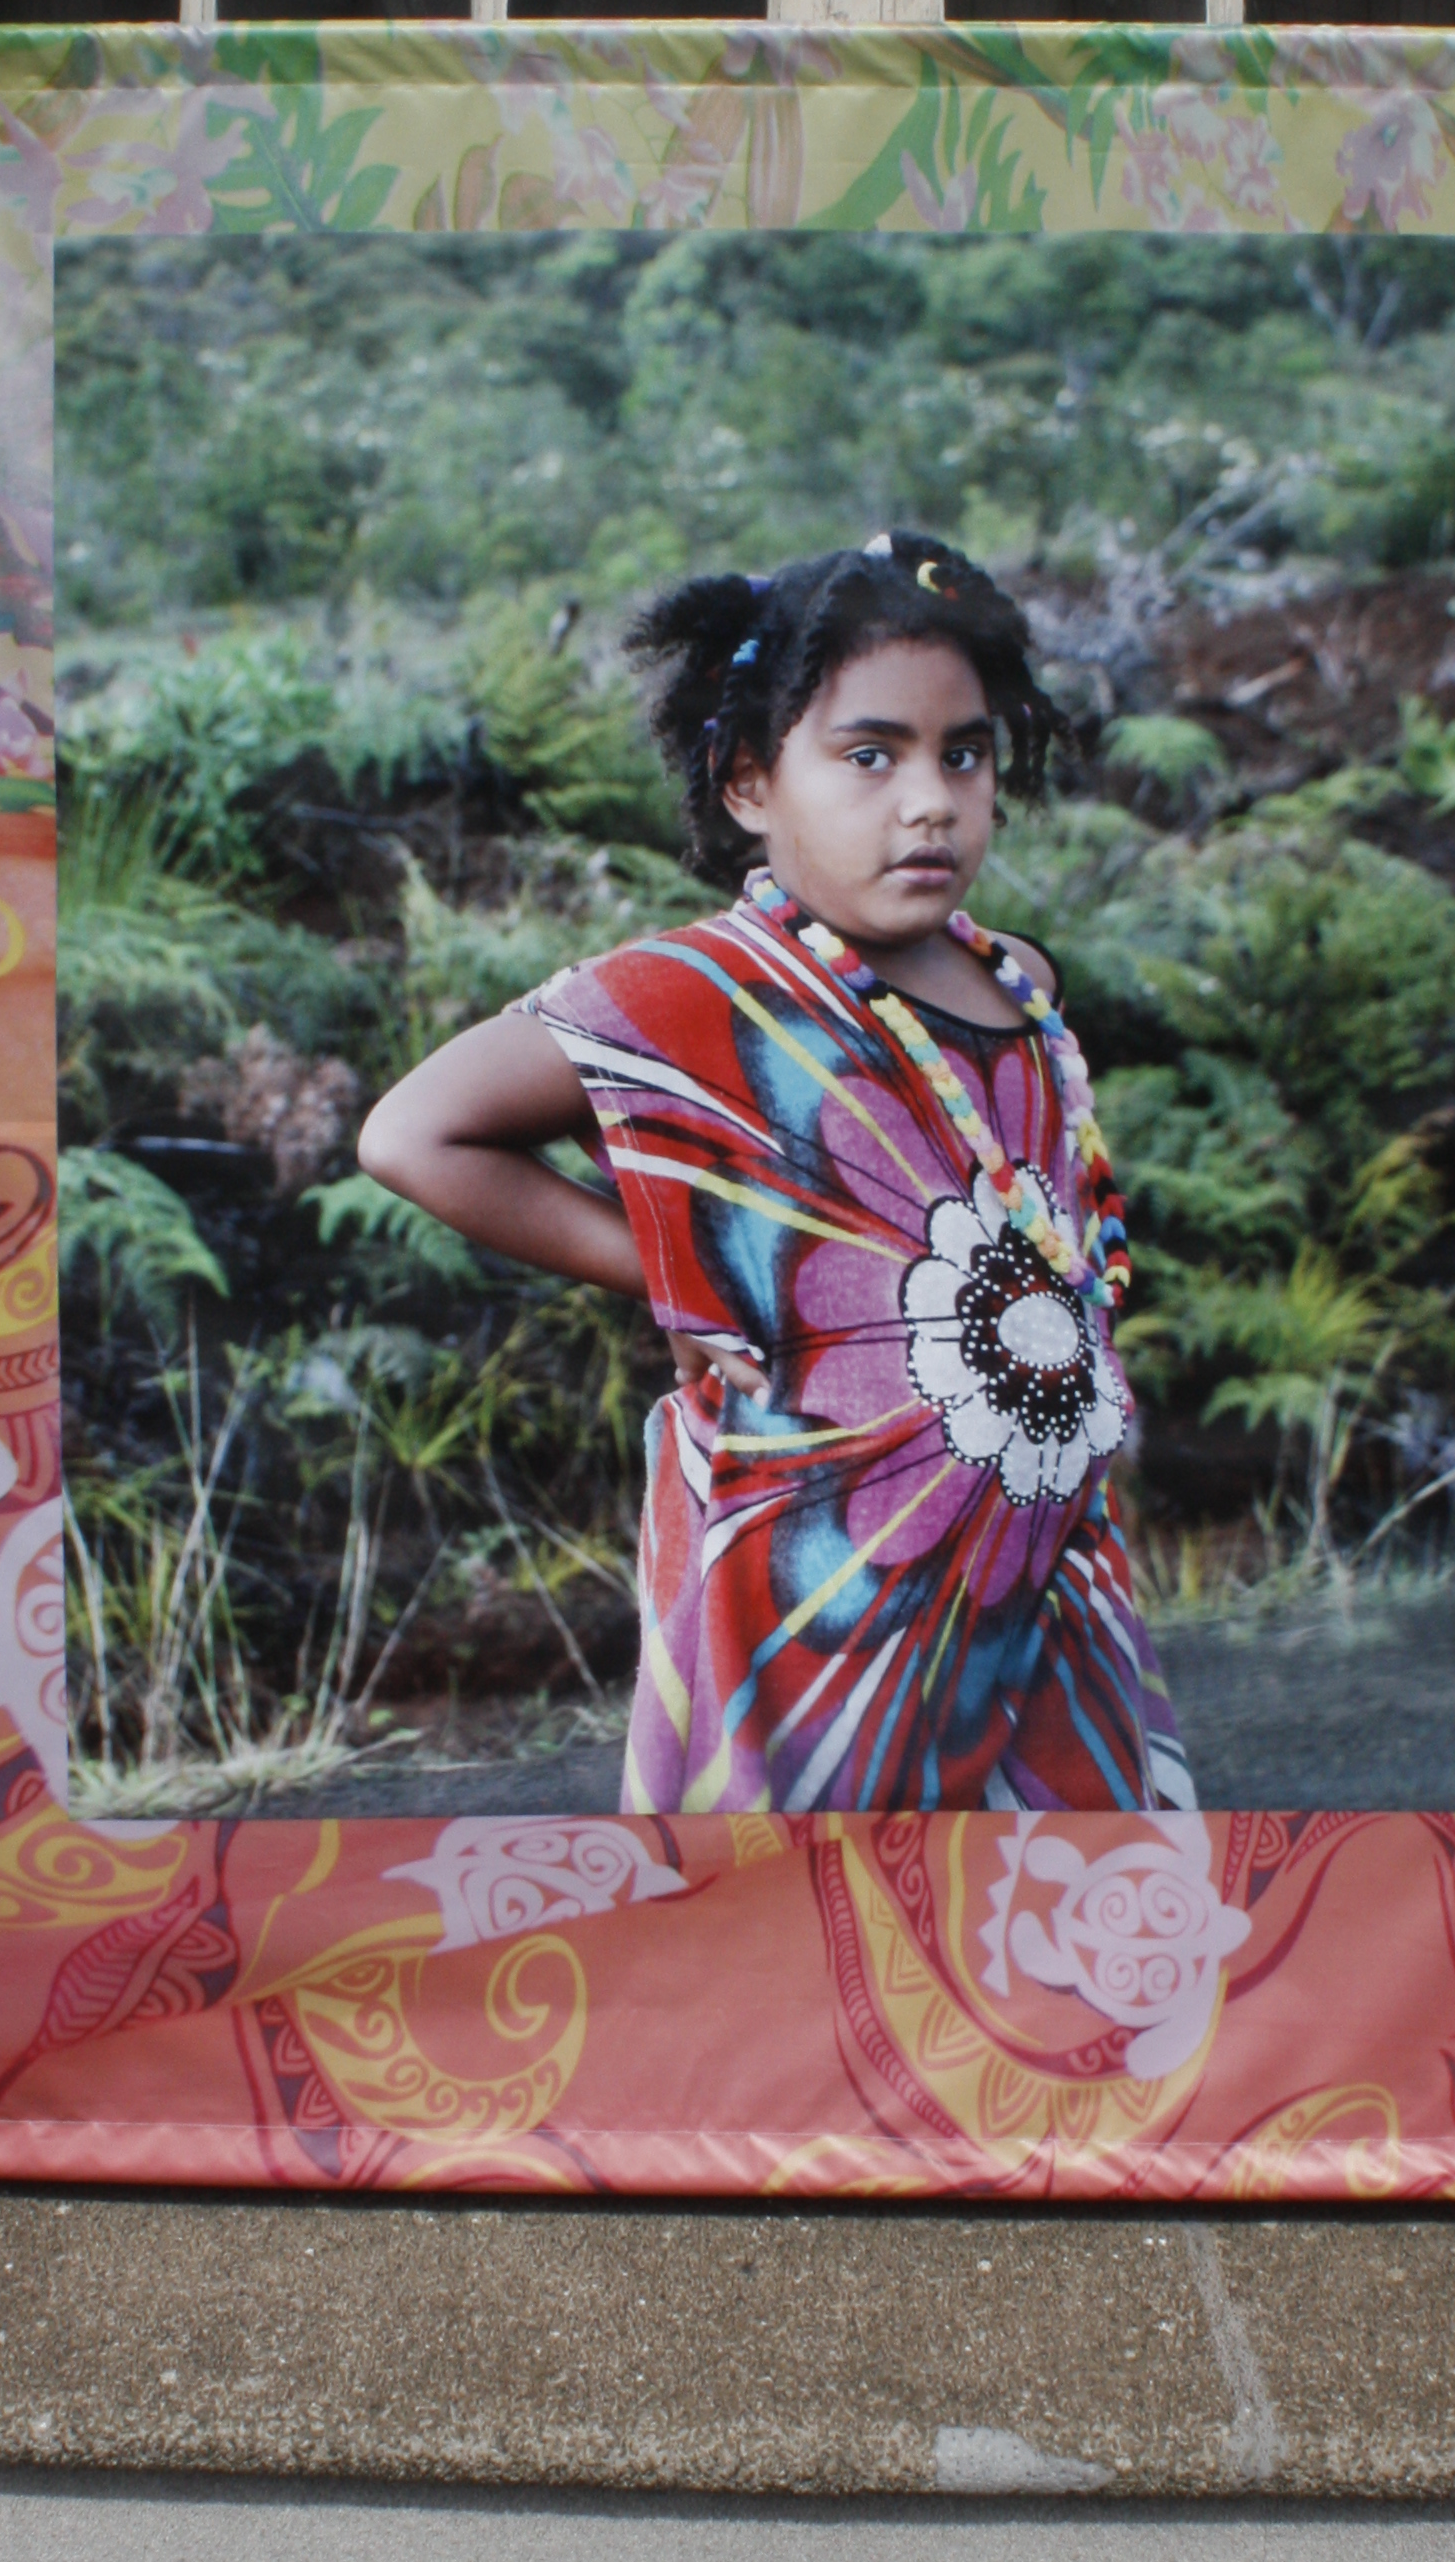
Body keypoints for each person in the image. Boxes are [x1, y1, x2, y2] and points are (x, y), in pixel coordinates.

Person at [357, 532, 1194, 1815]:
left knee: (1053, 1905)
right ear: (750, 782)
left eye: (963, 754)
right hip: (824, 1588)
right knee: (821, 1903)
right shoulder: (702, 994)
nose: (929, 801)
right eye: (869, 756)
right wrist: (676, 1276)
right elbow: (414, 1135)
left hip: (1038, 1567)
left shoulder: (1016, 981)